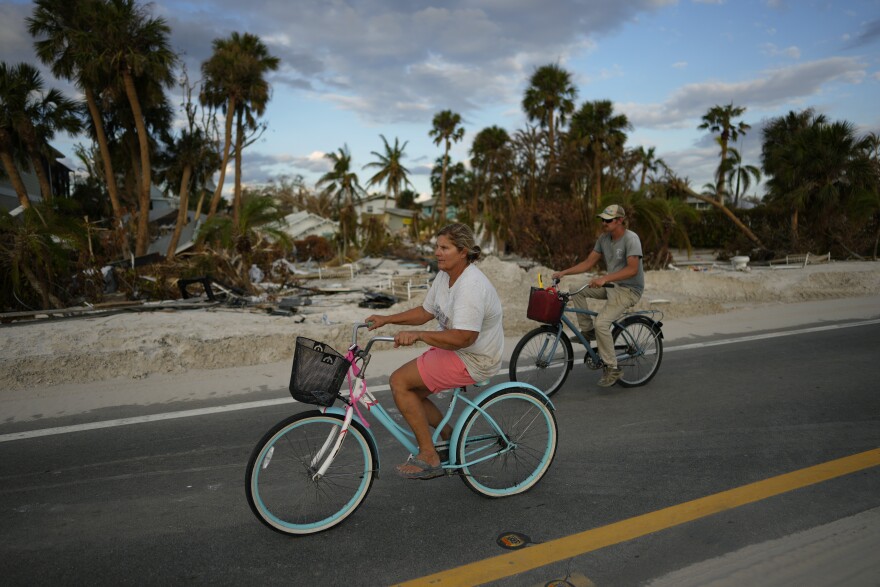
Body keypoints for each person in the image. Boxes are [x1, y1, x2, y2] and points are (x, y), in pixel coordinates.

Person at [365, 223, 503, 480]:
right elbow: (425, 312)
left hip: (474, 357)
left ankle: (429, 454)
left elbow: (464, 337)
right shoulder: (445, 276)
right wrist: (387, 318)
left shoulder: (470, 287)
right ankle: (449, 436)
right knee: (410, 389)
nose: (437, 253)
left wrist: (418, 336)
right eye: (436, 247)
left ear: (462, 252)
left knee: (399, 381)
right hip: (455, 348)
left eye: (444, 248)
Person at [552, 204, 644, 388]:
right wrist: (563, 272)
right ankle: (588, 332)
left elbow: (633, 269)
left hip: (629, 290)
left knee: (602, 322)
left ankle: (612, 367)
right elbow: (588, 263)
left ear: (619, 221)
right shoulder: (604, 239)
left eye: (608, 220)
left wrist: (605, 278)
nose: (604, 223)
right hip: (612, 285)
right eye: (602, 219)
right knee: (576, 287)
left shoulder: (631, 239)